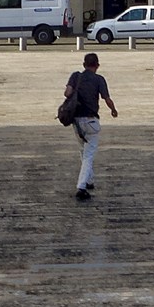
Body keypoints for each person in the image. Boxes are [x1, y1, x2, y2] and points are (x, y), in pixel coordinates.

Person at [64, 52, 117, 201]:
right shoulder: (99, 79)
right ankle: (81, 186)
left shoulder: (76, 76)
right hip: (91, 121)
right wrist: (113, 110)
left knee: (83, 150)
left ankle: (89, 180)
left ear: (84, 65)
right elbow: (107, 99)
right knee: (88, 154)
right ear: (97, 65)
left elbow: (67, 92)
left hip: (76, 121)